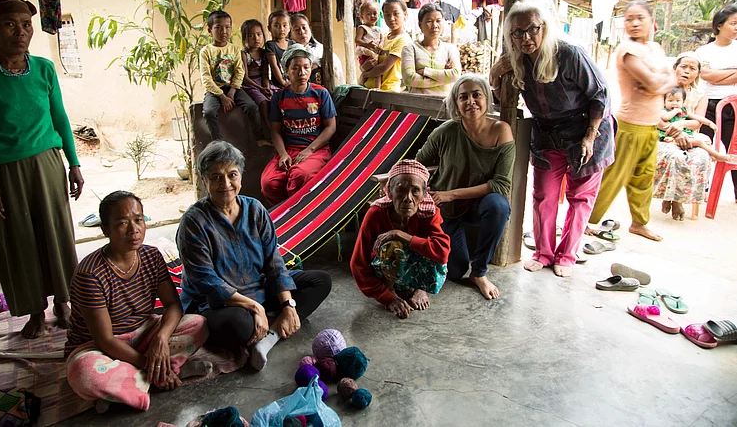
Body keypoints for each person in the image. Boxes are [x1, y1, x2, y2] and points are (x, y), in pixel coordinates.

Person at [0, 0, 84, 339]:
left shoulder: (44, 69)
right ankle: (34, 311)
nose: (20, 32)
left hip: (47, 165)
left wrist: (73, 162)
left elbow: (60, 118)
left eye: (26, 25)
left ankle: (63, 302)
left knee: (56, 235)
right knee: (20, 241)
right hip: (5, 173)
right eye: (10, 24)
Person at [178, 141, 332, 370]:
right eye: (216, 177)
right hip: (218, 302)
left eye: (232, 175)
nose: (226, 184)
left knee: (320, 281)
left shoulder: (255, 210)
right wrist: (255, 308)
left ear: (241, 176)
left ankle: (270, 334)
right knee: (238, 325)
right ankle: (267, 321)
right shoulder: (194, 222)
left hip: (258, 287)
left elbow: (273, 262)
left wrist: (288, 305)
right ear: (204, 180)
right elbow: (205, 280)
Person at [491, 2, 615, 277]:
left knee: (580, 197)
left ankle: (567, 256)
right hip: (547, 133)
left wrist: (589, 136)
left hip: (586, 128)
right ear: (510, 35)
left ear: (544, 28)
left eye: (532, 29)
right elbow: (502, 99)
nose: (526, 37)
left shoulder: (569, 53)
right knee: (544, 195)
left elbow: (601, 94)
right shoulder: (515, 58)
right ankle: (543, 253)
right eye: (517, 32)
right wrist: (495, 74)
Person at [65, 192, 209, 411]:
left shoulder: (151, 256)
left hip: (144, 334)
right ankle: (164, 372)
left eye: (138, 220)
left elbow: (173, 305)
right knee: (87, 376)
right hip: (99, 348)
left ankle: (129, 385)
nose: (134, 229)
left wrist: (161, 339)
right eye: (122, 223)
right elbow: (105, 340)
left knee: (199, 324)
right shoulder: (90, 274)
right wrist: (147, 362)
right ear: (106, 230)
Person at [416, 75, 514, 300]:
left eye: (476, 95)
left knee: (499, 206)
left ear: (486, 98)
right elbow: (418, 164)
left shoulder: (501, 130)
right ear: (456, 103)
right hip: (446, 210)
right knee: (455, 271)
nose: (471, 101)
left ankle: (479, 273)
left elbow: (501, 184)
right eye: (463, 97)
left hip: (477, 205)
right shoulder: (446, 131)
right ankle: (461, 263)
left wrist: (451, 194)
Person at [589, 1, 677, 241]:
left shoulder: (655, 48)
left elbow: (670, 79)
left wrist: (661, 83)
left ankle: (639, 223)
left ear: (652, 21)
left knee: (644, 176)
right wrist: (660, 82)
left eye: (640, 18)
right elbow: (655, 83)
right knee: (614, 176)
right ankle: (588, 219)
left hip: (651, 126)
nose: (635, 23)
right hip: (629, 126)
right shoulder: (627, 51)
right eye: (629, 19)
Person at [350, 160, 451, 318]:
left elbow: (442, 252)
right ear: (389, 192)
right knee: (392, 246)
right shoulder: (376, 214)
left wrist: (399, 234)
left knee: (434, 247)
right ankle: (390, 288)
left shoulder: (429, 213)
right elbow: (358, 264)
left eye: (415, 191)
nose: (408, 198)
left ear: (424, 194)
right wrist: (387, 298)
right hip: (385, 272)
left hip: (415, 270)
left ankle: (419, 288)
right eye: (400, 190)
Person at [260, 44, 337, 205]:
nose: (302, 72)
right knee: (269, 184)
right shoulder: (279, 97)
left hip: (316, 150)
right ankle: (285, 213)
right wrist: (282, 154)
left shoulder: (321, 93)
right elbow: (275, 131)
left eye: (306, 67)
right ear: (286, 71)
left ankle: (298, 214)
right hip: (288, 150)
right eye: (295, 68)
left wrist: (309, 150)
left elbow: (331, 127)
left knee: (299, 176)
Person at [653, 53, 719, 220]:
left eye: (692, 68)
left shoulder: (700, 95)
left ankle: (677, 199)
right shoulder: (663, 89)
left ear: (698, 73)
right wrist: (675, 132)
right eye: (683, 67)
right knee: (675, 156)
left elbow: (696, 123)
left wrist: (681, 125)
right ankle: (671, 198)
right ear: (675, 68)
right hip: (663, 135)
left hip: (688, 136)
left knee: (701, 157)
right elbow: (655, 116)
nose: (687, 71)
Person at [201, 10, 267, 146]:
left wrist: (232, 91)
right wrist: (222, 97)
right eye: (218, 27)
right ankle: (218, 142)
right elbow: (206, 78)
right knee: (209, 112)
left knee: (252, 107)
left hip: (233, 88)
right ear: (210, 30)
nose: (224, 31)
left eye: (227, 27)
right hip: (214, 91)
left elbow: (239, 72)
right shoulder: (206, 51)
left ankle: (259, 138)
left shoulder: (234, 49)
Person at [696, 4, 737, 202]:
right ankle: (699, 191)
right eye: (733, 23)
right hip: (706, 105)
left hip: (732, 106)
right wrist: (732, 73)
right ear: (719, 26)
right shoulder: (704, 51)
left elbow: (712, 75)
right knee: (703, 147)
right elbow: (705, 75)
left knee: (734, 149)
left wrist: (716, 75)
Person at [401, 2, 462, 96]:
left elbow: (456, 75)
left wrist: (426, 71)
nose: (434, 25)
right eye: (429, 21)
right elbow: (409, 79)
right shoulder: (410, 49)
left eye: (438, 21)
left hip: (444, 103)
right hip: (417, 103)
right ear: (420, 25)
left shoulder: (450, 49)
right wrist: (444, 78)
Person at [659, 87, 733, 161]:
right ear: (664, 103)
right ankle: (717, 155)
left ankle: (712, 156)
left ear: (683, 103)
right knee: (699, 142)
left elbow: (697, 117)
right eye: (670, 101)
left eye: (678, 101)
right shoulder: (664, 111)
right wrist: (675, 111)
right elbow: (665, 117)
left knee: (705, 141)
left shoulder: (683, 112)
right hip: (669, 136)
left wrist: (709, 123)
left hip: (685, 135)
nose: (674, 103)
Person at [360, 0, 412, 92]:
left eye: (396, 14)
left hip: (387, 91)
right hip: (369, 89)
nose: (391, 18)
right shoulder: (382, 37)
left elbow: (383, 67)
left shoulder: (403, 40)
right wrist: (364, 67)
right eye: (387, 15)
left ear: (405, 14)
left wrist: (365, 74)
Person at [289, 12, 345, 86]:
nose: (302, 32)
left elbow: (335, 67)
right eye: (296, 29)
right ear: (290, 34)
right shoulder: (288, 53)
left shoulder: (321, 50)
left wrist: (318, 63)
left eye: (304, 28)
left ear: (310, 29)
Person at [240, 19, 272, 127]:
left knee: (275, 98)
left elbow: (265, 74)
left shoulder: (264, 53)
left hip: (262, 83)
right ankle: (269, 128)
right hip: (250, 85)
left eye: (259, 34)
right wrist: (260, 88)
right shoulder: (244, 54)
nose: (256, 38)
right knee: (263, 103)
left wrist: (267, 88)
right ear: (245, 38)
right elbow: (245, 78)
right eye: (251, 35)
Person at [355, 0, 384, 89]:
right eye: (368, 14)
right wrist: (368, 45)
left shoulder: (379, 29)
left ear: (378, 15)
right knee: (368, 70)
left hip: (375, 54)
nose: (372, 16)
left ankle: (377, 88)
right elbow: (357, 40)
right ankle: (361, 85)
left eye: (375, 13)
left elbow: (382, 38)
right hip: (365, 53)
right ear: (361, 17)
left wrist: (381, 44)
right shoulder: (362, 28)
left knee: (377, 71)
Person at [265, 10, 291, 89]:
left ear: (289, 27)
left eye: (284, 25)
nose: (281, 29)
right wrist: (283, 83)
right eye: (276, 26)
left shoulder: (292, 44)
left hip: (294, 83)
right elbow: (274, 66)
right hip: (278, 85)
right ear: (269, 28)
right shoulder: (271, 45)